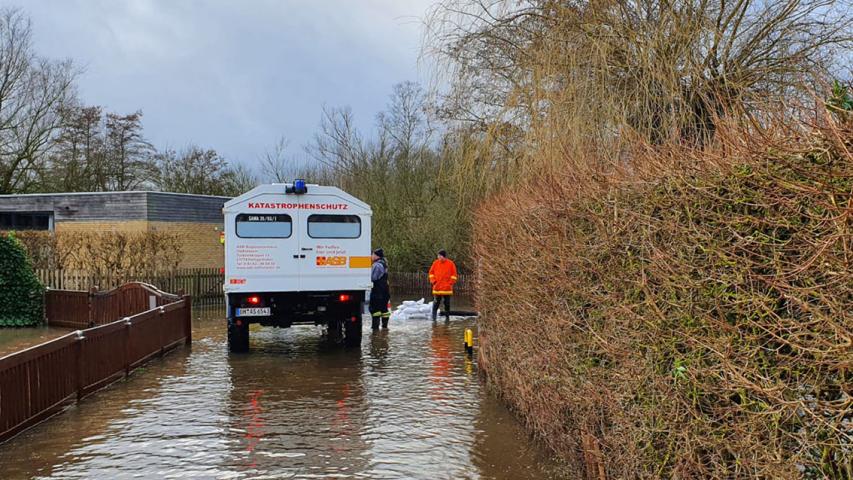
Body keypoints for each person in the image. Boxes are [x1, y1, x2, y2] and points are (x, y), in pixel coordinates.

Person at [428, 249, 458, 322]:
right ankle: (433, 318)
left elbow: (454, 275)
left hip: (446, 289)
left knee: (447, 304)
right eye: (438, 256)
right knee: (436, 303)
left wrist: (449, 283)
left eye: (439, 256)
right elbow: (431, 273)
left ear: (443, 256)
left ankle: (447, 318)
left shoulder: (451, 264)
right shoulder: (435, 263)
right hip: (437, 287)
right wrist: (433, 281)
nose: (438, 257)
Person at [369, 248, 391, 329]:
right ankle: (385, 328)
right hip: (385, 291)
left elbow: (373, 278)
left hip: (377, 291)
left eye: (372, 254)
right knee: (384, 310)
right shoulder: (384, 263)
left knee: (375, 310)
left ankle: (375, 330)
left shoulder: (377, 265)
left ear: (376, 256)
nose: (371, 256)